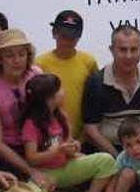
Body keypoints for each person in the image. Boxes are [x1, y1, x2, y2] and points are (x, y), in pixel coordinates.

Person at [20, 73, 117, 192]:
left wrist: (74, 147)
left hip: (66, 167)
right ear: (49, 98)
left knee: (107, 160)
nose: (63, 92)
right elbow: (32, 158)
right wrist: (57, 150)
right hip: (45, 173)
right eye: (60, 89)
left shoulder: (61, 116)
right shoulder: (31, 124)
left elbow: (69, 145)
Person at [82, 25, 140, 154]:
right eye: (122, 50)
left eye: (134, 50)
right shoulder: (96, 83)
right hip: (108, 152)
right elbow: (90, 129)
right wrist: (119, 159)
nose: (128, 56)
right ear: (112, 50)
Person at [0, 29, 46, 182]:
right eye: (10, 55)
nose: (17, 60)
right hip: (11, 153)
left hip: (40, 146)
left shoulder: (36, 74)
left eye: (21, 54)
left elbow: (52, 113)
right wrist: (30, 170)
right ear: (0, 59)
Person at [34, 10, 98, 139]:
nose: (67, 41)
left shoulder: (89, 62)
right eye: (63, 35)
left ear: (79, 37)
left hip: (85, 138)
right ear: (54, 33)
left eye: (72, 37)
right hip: (50, 139)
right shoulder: (39, 64)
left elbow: (96, 100)